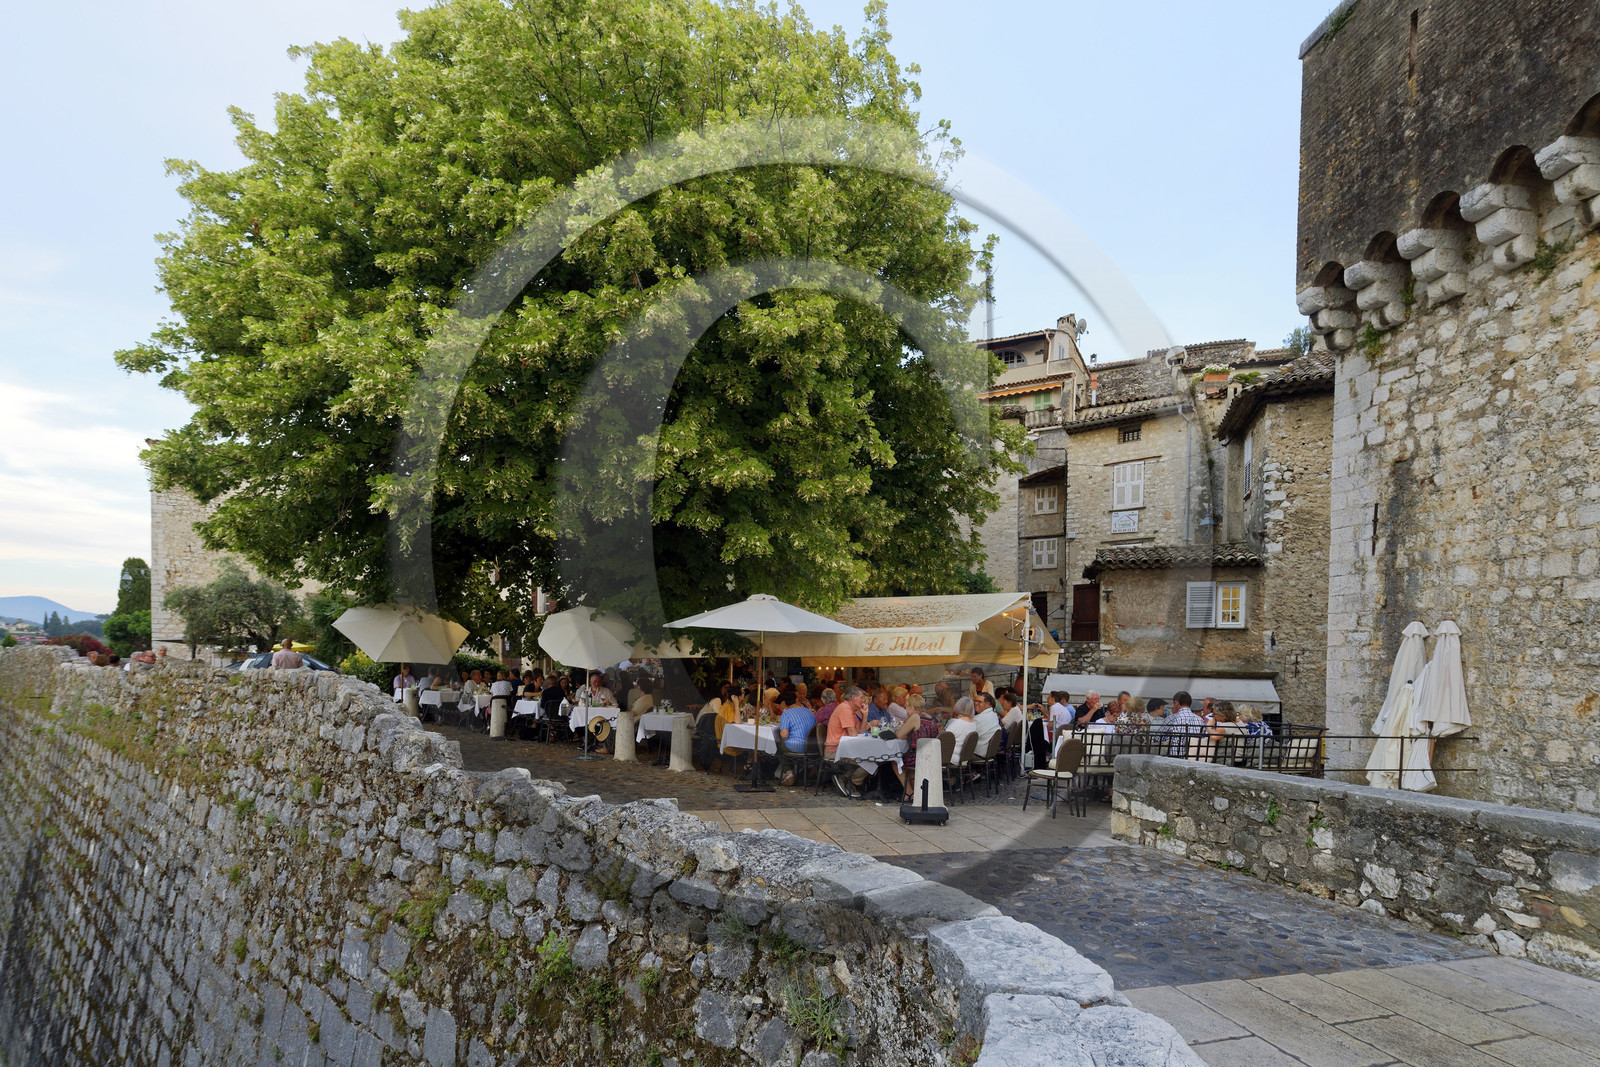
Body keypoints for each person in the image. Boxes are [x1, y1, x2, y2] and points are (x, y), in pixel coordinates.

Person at [894, 701, 941, 801]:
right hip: (932, 755)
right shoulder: (931, 717)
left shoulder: (915, 717)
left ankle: (909, 793)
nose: (906, 710)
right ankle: (915, 793)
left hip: (920, 756)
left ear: (911, 707)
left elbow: (899, 734)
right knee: (907, 758)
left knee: (895, 761)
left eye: (906, 707)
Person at [776, 693, 817, 786]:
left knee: (778, 745)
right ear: (796, 700)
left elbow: (784, 735)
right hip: (811, 746)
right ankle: (810, 767)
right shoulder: (809, 712)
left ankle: (789, 772)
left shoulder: (786, 713)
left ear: (784, 703)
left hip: (796, 746)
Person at [825, 686, 867, 758]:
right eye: (861, 698)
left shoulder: (851, 709)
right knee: (867, 761)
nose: (863, 701)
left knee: (869, 759)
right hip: (835, 752)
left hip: (844, 749)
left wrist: (865, 714)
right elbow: (853, 734)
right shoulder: (845, 709)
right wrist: (856, 731)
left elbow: (861, 731)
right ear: (853, 697)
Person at [1160, 690, 1205, 756]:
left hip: (1175, 756)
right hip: (1194, 757)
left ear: (1176, 703)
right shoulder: (1200, 720)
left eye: (1173, 703)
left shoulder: (1171, 719)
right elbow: (1203, 737)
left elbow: (1158, 738)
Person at [945, 697, 978, 765]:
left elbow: (943, 739)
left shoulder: (955, 723)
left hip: (952, 758)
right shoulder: (973, 723)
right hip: (965, 758)